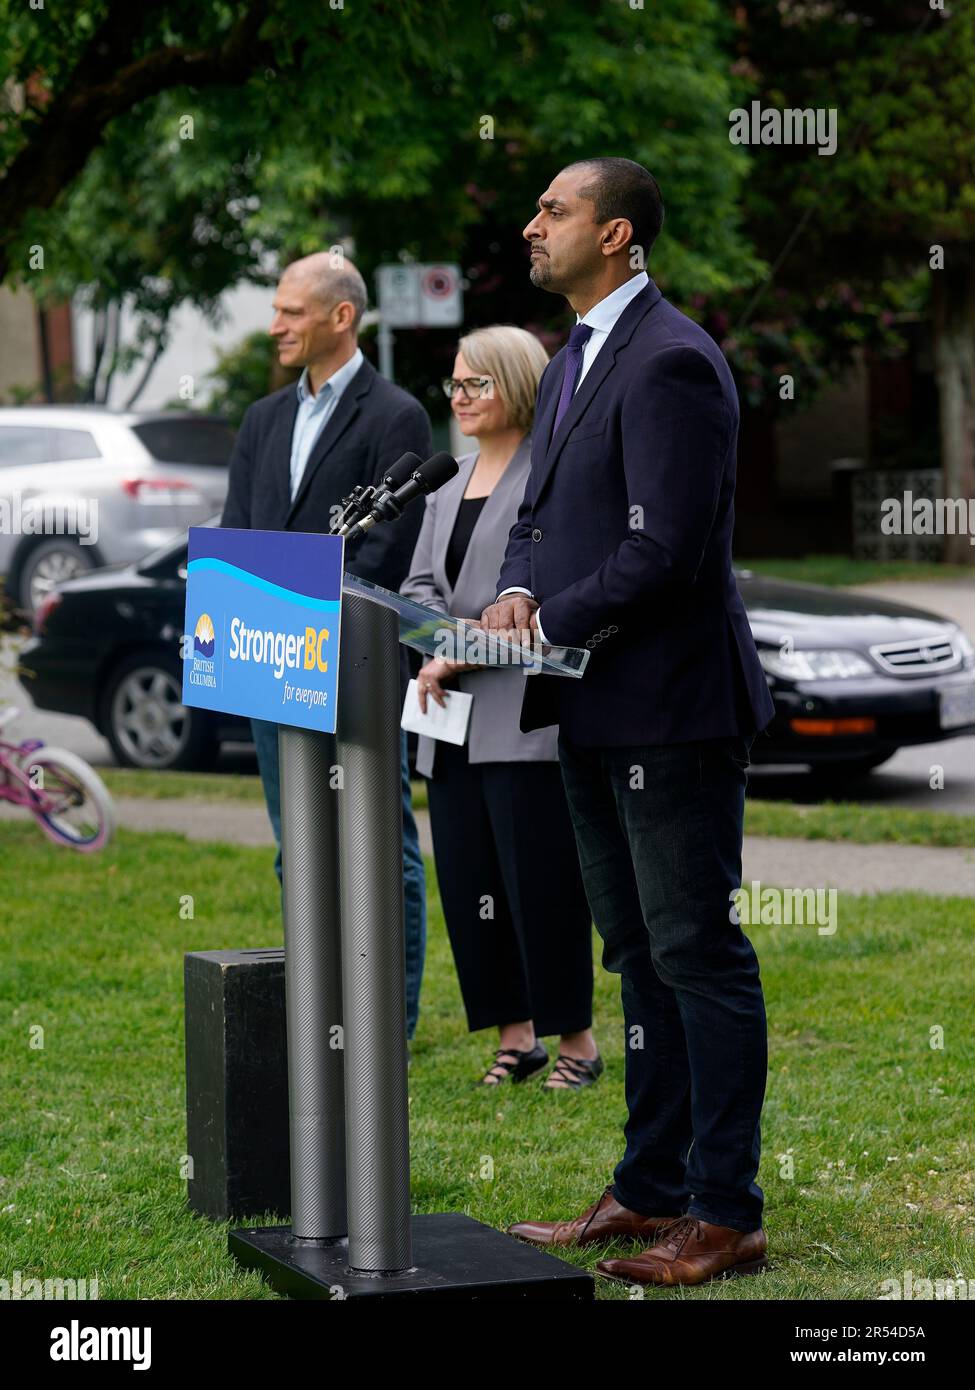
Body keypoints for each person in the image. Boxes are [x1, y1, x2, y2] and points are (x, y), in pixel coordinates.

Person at [480, 158, 776, 1286]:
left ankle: (725, 1210)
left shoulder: (673, 362)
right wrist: (515, 592)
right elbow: (538, 516)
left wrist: (543, 614)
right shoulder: (568, 363)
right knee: (638, 954)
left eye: (552, 211)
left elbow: (665, 553)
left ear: (615, 235)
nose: (532, 226)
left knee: (695, 949)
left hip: (674, 711)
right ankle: (650, 1186)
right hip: (591, 706)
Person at [221, 251, 431, 1040]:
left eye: (290, 312)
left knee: (380, 846)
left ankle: (388, 1023)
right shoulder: (263, 418)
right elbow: (240, 535)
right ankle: (320, 1010)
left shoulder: (396, 414)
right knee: (298, 846)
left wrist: (306, 619)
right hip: (267, 665)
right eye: (276, 310)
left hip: (354, 665)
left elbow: (388, 552)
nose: (275, 325)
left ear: (341, 317)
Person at [400, 325, 600, 1091]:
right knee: (468, 882)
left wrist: (462, 645)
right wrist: (436, 640)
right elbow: (418, 584)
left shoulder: (546, 481)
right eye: (453, 384)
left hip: (519, 721)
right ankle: (515, 1039)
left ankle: (577, 1042)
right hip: (445, 721)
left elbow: (539, 602)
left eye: (474, 383)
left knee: (539, 884)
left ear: (517, 386)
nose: (457, 397)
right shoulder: (445, 482)